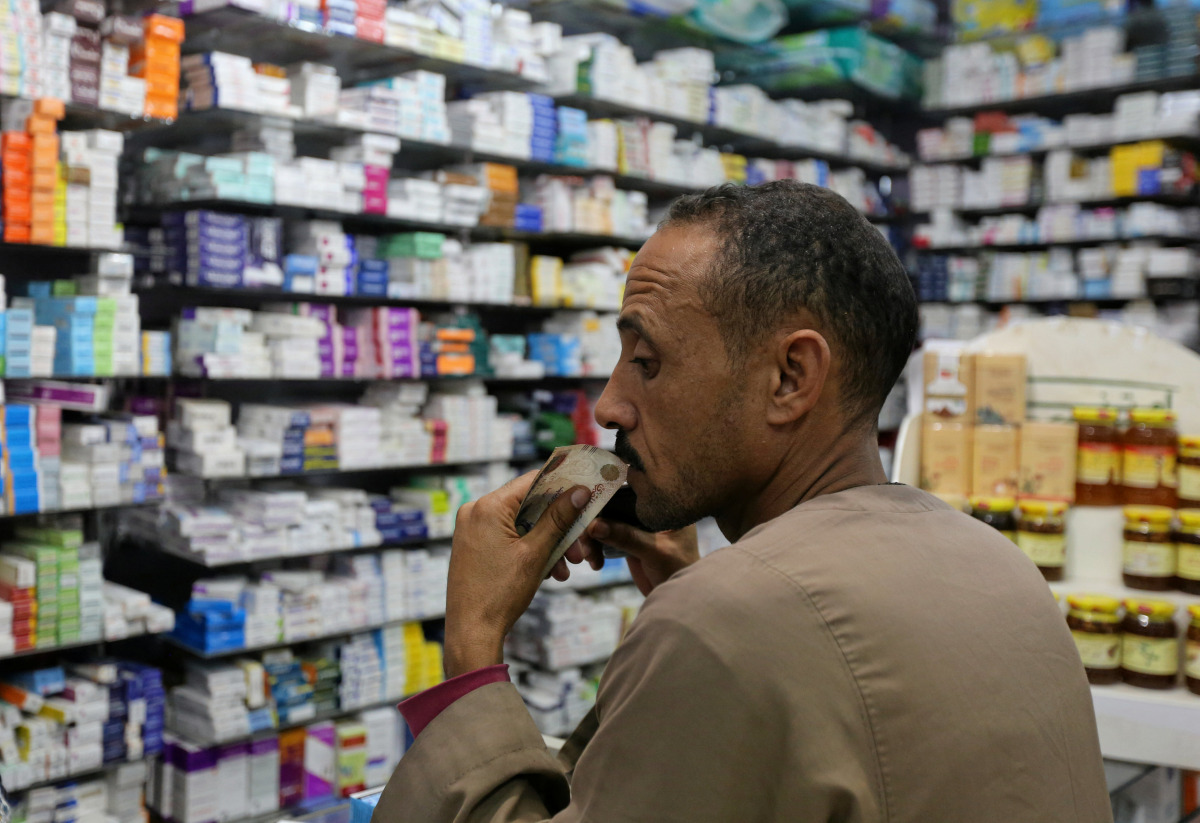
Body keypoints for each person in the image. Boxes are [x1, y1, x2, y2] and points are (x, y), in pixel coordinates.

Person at [373, 181, 1112, 822]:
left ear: (791, 376)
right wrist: (687, 590)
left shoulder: (731, 619)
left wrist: (471, 646)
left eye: (648, 362)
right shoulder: (1001, 566)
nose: (608, 406)